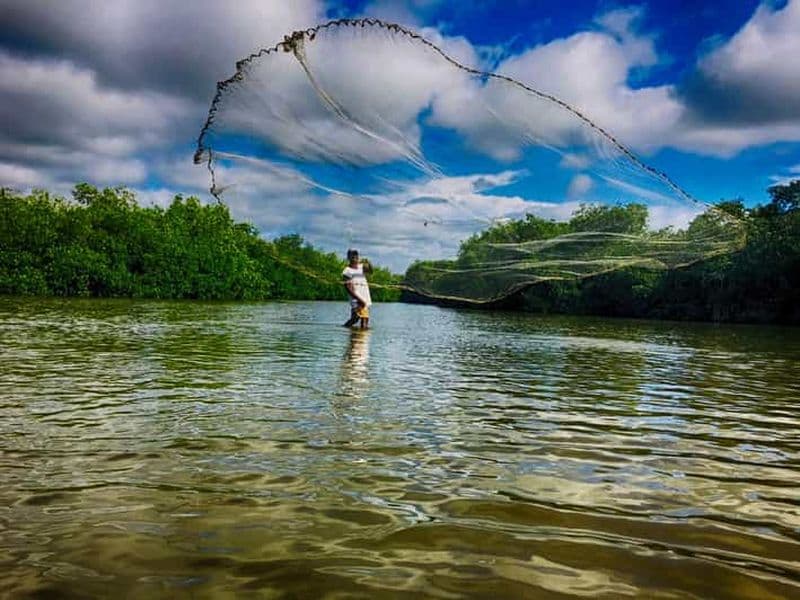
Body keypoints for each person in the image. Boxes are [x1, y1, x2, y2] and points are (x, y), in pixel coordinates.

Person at [342, 248, 372, 328]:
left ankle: (347, 330)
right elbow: (348, 288)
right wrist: (359, 300)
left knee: (355, 319)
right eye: (352, 256)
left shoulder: (361, 267)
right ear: (348, 258)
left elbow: (370, 271)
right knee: (364, 321)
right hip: (357, 299)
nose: (355, 257)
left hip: (365, 297)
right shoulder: (347, 271)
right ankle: (360, 338)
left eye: (356, 255)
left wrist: (368, 263)